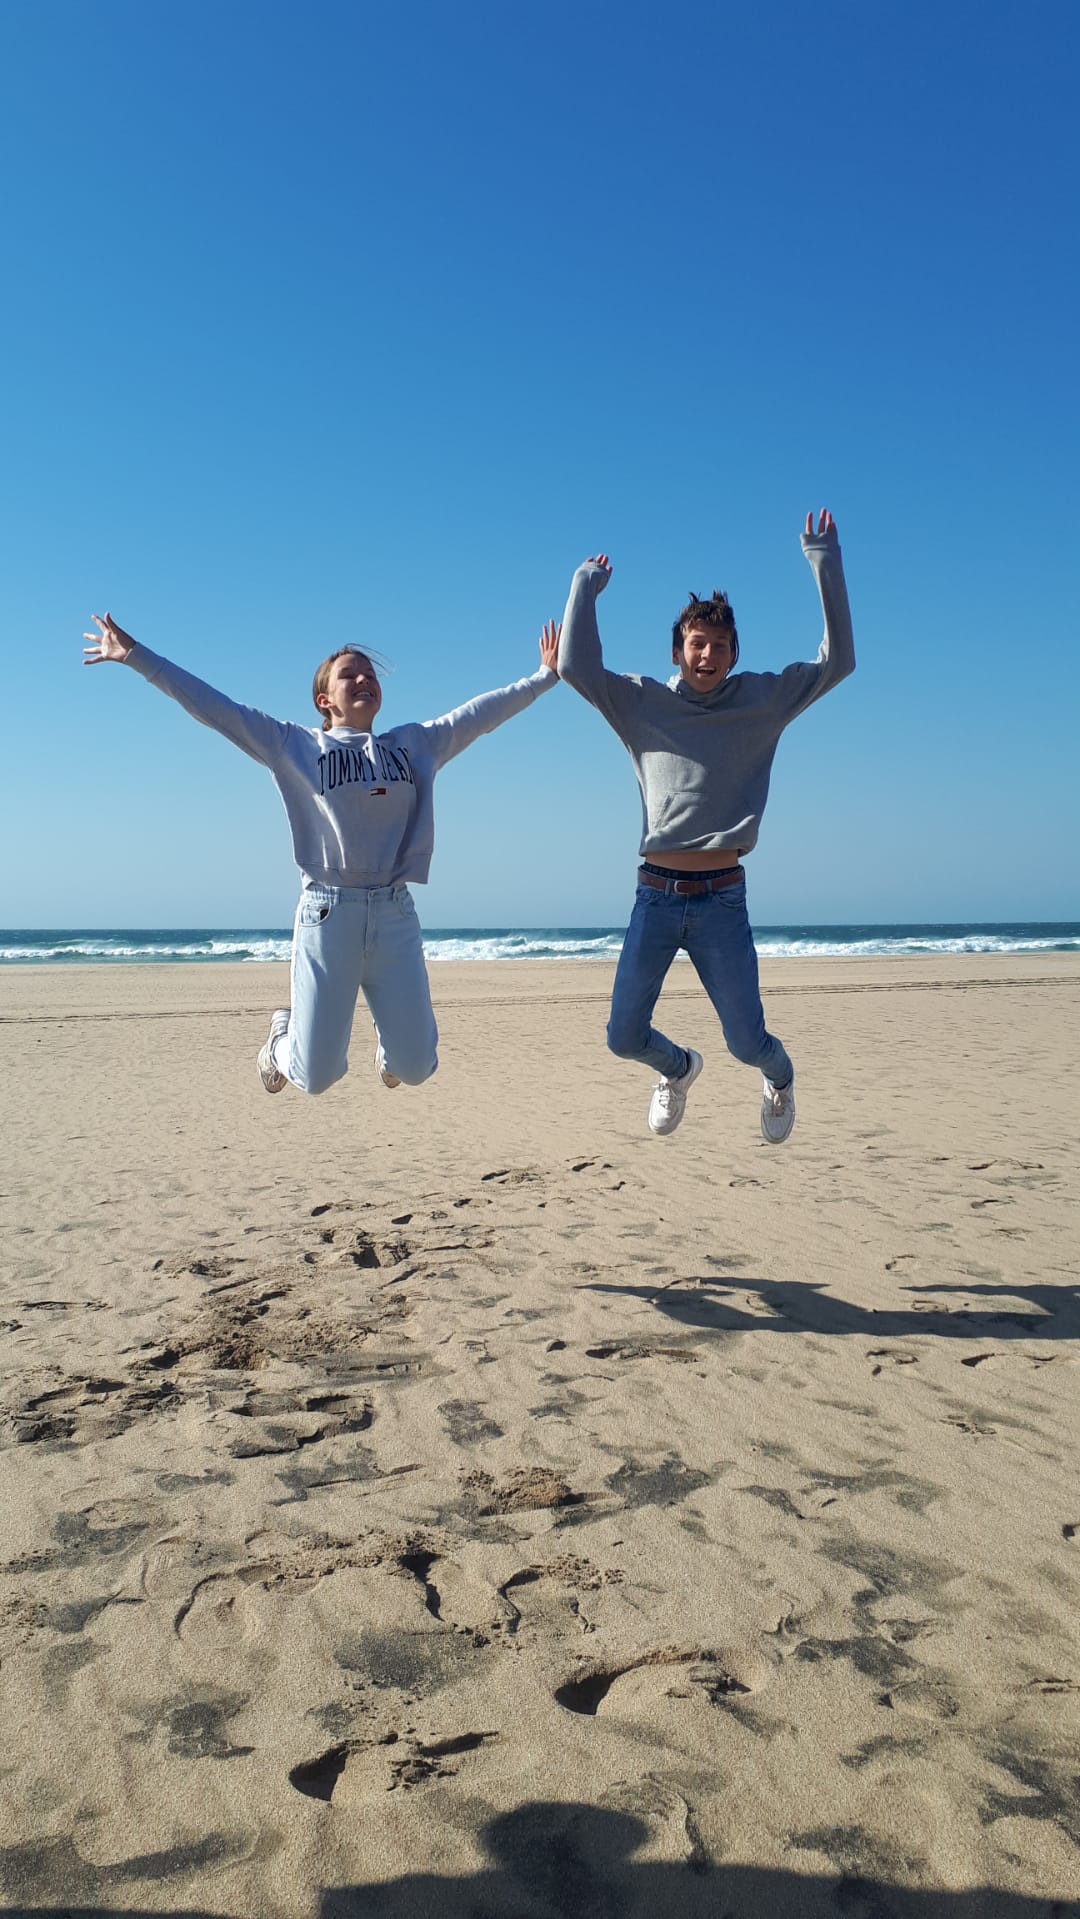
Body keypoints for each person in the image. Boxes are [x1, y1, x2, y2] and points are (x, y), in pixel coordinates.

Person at [83, 612, 561, 1097]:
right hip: (328, 915)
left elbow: (478, 716)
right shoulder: (293, 745)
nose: (364, 679)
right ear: (324, 700)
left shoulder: (415, 745)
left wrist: (543, 678)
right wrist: (137, 657)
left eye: (370, 674)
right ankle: (278, 1042)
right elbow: (215, 708)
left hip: (395, 912)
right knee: (315, 1077)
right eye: (350, 675)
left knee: (416, 1067)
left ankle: (391, 1051)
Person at [557, 511, 854, 1143]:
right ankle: (678, 1068)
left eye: (720, 646)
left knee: (747, 1043)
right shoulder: (643, 703)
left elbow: (839, 662)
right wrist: (585, 586)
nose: (707, 655)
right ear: (677, 651)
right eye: (697, 643)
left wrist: (823, 560)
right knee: (622, 1036)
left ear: (734, 654)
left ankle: (780, 1077)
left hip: (722, 898)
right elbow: (575, 667)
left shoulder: (763, 700)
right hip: (655, 896)